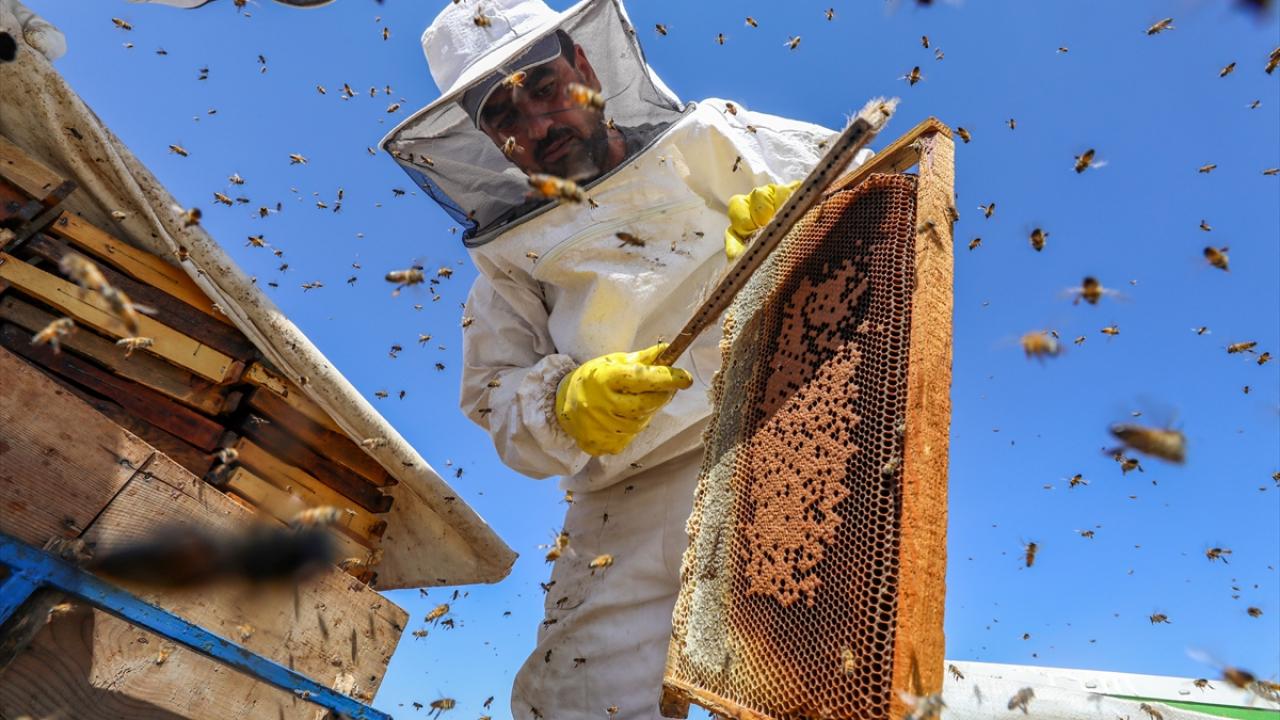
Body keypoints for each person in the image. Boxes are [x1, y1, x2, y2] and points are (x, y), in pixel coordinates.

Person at [384, 1, 871, 717]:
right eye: (505, 118)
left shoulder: (715, 137)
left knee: (835, 681)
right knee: (576, 702)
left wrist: (820, 217)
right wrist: (564, 404)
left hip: (800, 424)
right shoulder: (504, 269)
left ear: (583, 65)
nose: (538, 126)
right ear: (484, 138)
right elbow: (497, 400)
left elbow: (879, 182)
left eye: (545, 89)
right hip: (634, 491)